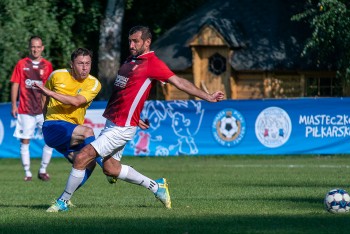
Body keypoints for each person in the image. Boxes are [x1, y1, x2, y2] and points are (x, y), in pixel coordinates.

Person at [47, 25, 225, 212]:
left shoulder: (152, 63)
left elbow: (178, 82)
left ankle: (63, 201)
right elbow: (128, 93)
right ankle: (157, 187)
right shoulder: (131, 60)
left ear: (147, 42)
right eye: (130, 41)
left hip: (122, 127)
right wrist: (135, 116)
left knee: (82, 157)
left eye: (136, 41)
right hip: (115, 122)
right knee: (111, 168)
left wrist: (208, 96)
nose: (131, 45)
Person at [11, 36, 54, 182]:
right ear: (30, 48)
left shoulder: (47, 65)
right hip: (25, 109)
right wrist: (13, 105)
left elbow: (51, 88)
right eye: (32, 47)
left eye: (38, 46)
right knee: (25, 141)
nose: (35, 49)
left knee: (50, 140)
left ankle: (43, 170)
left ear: (42, 48)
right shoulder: (21, 64)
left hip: (43, 110)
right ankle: (27, 173)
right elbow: (15, 84)